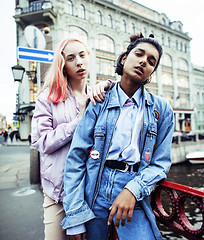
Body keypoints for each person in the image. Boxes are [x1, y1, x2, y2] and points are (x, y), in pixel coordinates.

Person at [61, 33, 174, 240]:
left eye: (151, 62)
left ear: (151, 73)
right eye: (139, 54)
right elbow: (76, 158)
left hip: (134, 188)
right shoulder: (99, 100)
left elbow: (161, 164)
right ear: (124, 58)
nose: (143, 62)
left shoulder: (162, 110)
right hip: (94, 189)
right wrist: (75, 216)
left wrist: (133, 190)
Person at [31, 38, 112, 240]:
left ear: (89, 57)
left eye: (82, 55)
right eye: (71, 58)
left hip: (90, 191)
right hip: (58, 192)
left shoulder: (98, 96)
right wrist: (79, 121)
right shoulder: (47, 98)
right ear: (63, 65)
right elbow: (42, 142)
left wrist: (108, 84)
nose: (79, 62)